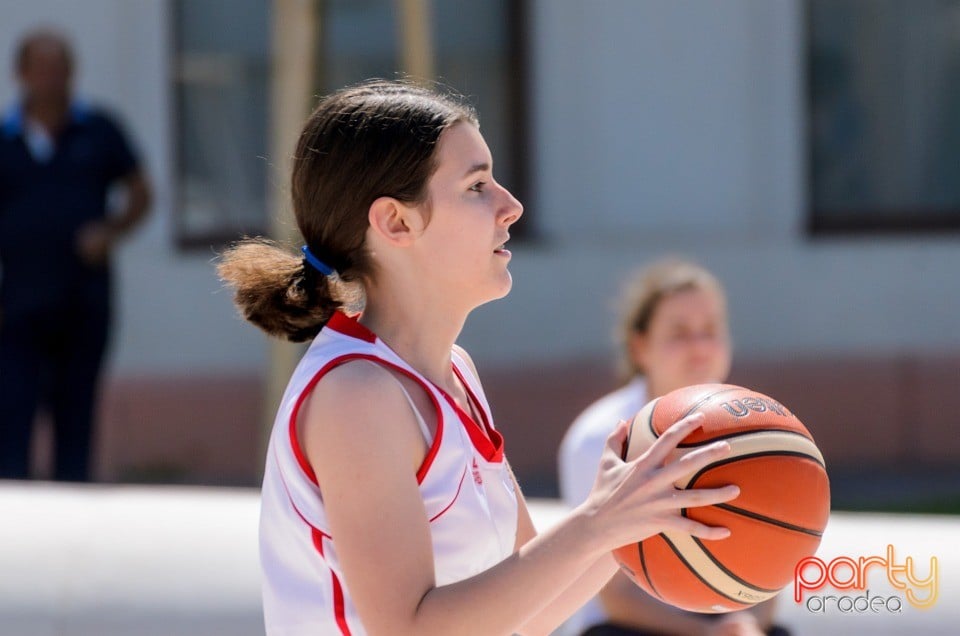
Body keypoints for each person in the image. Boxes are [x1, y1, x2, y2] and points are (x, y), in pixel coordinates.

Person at [217, 80, 741, 635]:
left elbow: (529, 616)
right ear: (396, 222)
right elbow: (409, 629)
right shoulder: (357, 394)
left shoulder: (452, 370)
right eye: (476, 186)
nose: (511, 206)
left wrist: (628, 519)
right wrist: (598, 521)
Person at [558, 259, 790, 636]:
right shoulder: (602, 439)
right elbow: (611, 592)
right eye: (680, 333)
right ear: (640, 348)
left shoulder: (756, 432)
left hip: (723, 617)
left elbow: (777, 553)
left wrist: (748, 626)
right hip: (624, 625)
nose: (699, 347)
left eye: (710, 330)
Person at [0, 29, 151, 481]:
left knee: (76, 414)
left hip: (83, 302)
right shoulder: (5, 139)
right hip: (16, 307)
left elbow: (140, 192)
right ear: (22, 74)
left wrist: (111, 230)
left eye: (59, 69)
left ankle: (73, 522)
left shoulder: (98, 129)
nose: (51, 79)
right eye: (41, 69)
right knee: (12, 414)